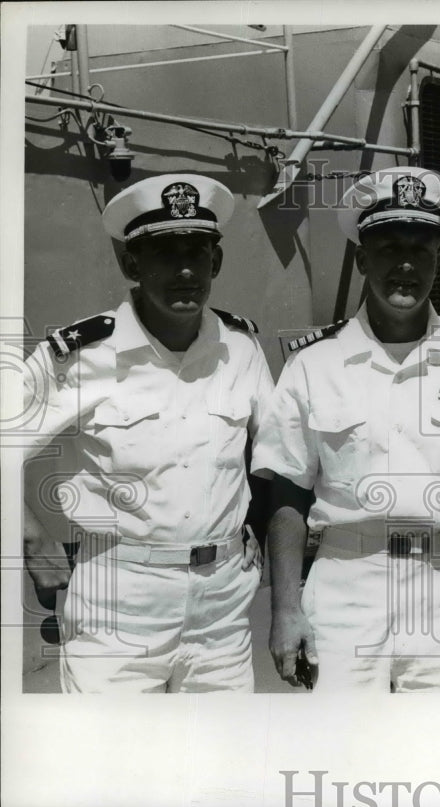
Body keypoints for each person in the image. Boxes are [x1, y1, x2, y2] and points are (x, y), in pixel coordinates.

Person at [252, 166, 440, 692]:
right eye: (388, 248)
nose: (405, 264)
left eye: (421, 248)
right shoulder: (314, 365)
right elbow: (287, 492)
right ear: (363, 258)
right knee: (340, 755)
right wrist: (285, 608)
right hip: (346, 583)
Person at [21, 173, 274, 692]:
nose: (184, 271)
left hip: (223, 610)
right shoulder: (83, 355)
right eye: (164, 253)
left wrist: (260, 521)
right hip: (118, 605)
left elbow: (277, 450)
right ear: (130, 263)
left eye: (196, 252)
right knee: (115, 769)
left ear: (216, 262)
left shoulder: (241, 349)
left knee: (224, 765)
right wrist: (30, 537)